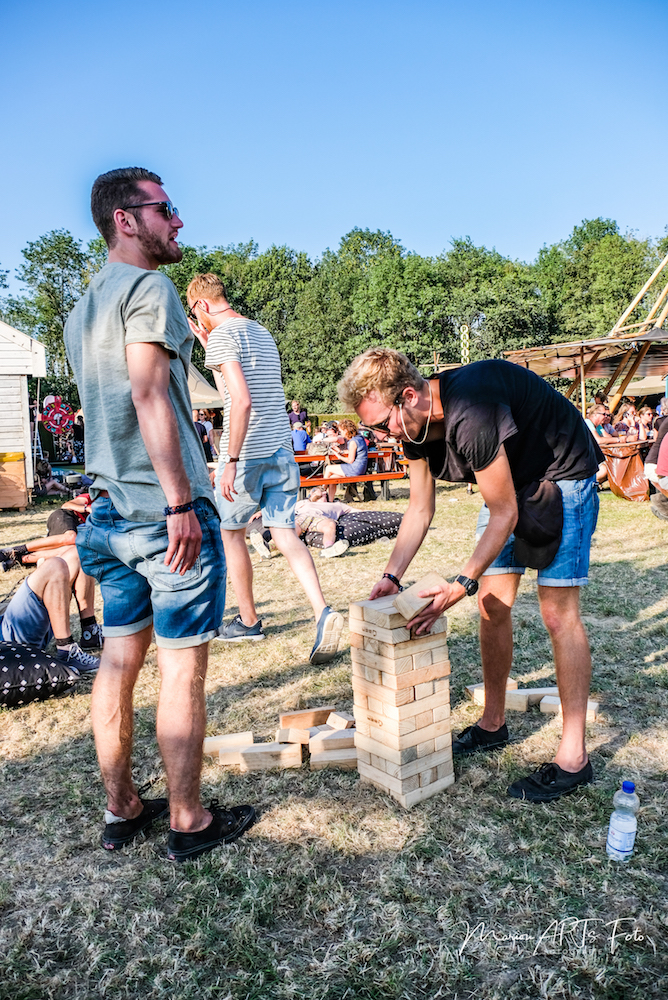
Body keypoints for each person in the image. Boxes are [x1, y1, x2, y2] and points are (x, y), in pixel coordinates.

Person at [63, 166, 255, 862]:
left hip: (108, 516)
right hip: (160, 515)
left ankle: (122, 811)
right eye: (165, 208)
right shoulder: (150, 289)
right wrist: (179, 501)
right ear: (125, 219)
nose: (178, 221)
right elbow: (147, 395)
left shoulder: (82, 308)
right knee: (181, 669)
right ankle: (187, 819)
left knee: (118, 661)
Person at [339, 347, 603, 803]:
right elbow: (419, 509)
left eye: (382, 424)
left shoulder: (471, 411)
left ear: (409, 396)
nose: (382, 435)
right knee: (491, 604)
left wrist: (461, 583)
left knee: (557, 614)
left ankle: (574, 758)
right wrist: (392, 576)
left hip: (562, 474)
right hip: (510, 484)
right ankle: (493, 724)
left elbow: (504, 513)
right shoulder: (412, 429)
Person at [186, 272, 343, 663]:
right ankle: (323, 611)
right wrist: (209, 348)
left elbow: (240, 401)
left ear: (202, 304)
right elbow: (238, 387)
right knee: (285, 534)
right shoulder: (260, 331)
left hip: (247, 453)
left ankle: (249, 620)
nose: (197, 319)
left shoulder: (223, 336)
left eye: (194, 312)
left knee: (231, 533)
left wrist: (229, 461)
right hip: (281, 450)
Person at [0, 551, 101, 674]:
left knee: (76, 555)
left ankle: (90, 632)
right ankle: (66, 650)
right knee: (54, 566)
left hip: (7, 617)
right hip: (7, 640)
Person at [322, 418, 369, 501]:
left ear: (346, 430)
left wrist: (339, 456)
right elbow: (353, 451)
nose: (341, 433)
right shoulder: (359, 438)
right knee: (332, 478)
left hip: (355, 469)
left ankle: (321, 493)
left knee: (329, 468)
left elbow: (350, 460)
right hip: (361, 468)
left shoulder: (353, 442)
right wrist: (341, 451)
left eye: (341, 431)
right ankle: (330, 500)